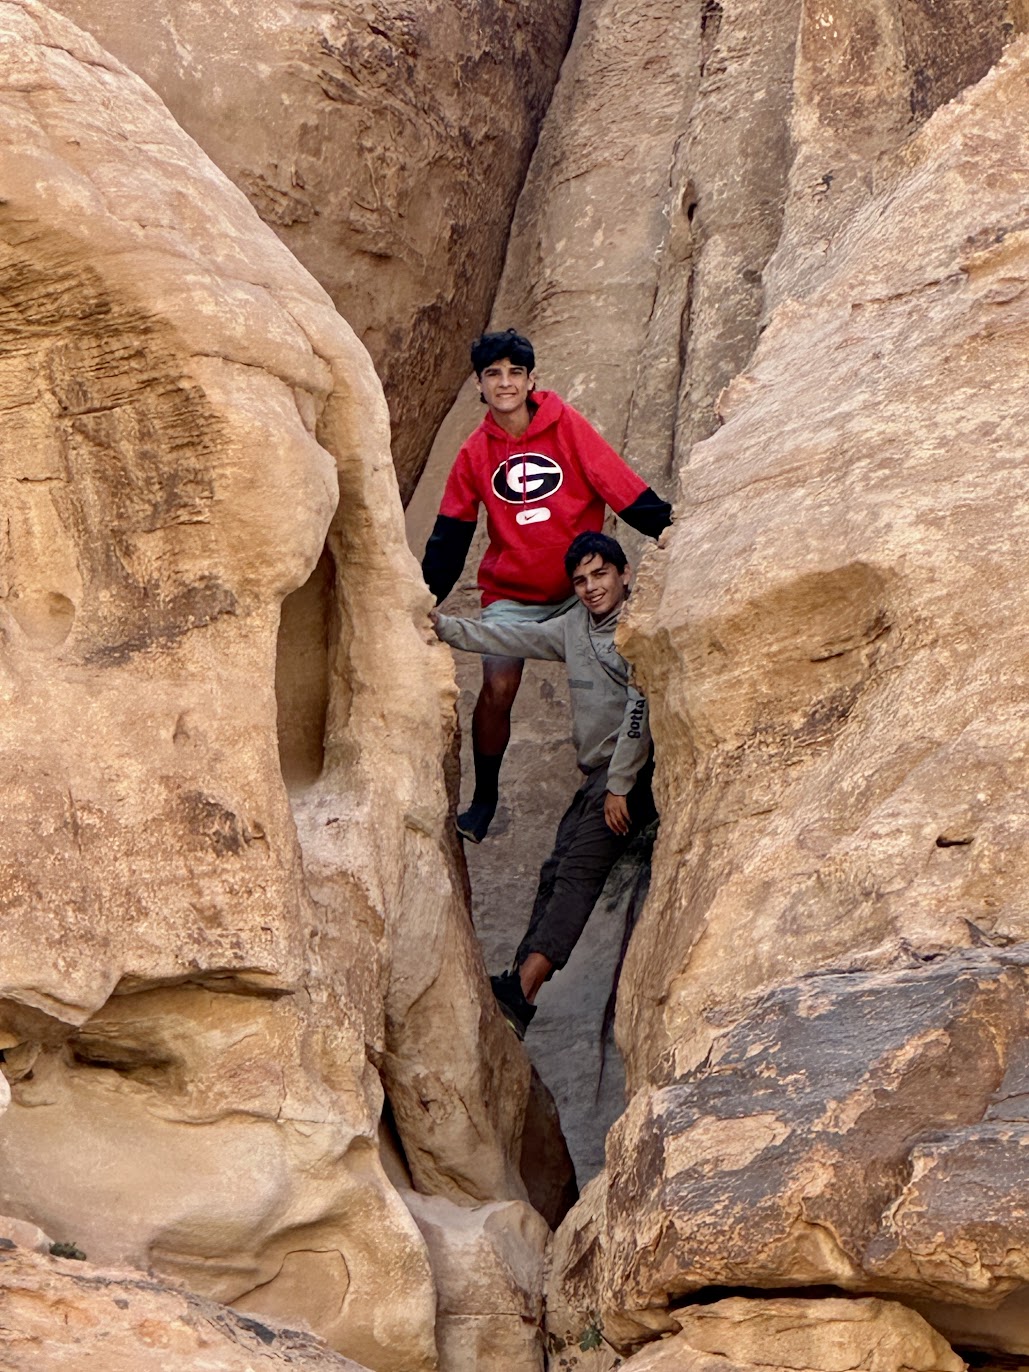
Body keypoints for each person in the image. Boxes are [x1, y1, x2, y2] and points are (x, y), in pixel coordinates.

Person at [421, 328, 670, 844]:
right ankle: (484, 800)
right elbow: (452, 532)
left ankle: (620, 784)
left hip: (578, 593)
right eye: (493, 374)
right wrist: (425, 598)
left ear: (531, 380)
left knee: (616, 673)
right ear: (479, 385)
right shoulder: (474, 453)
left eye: (515, 373)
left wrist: (671, 527)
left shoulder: (566, 426)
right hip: (511, 596)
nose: (505, 383)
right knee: (498, 685)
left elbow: (618, 484)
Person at [431, 531, 656, 1038]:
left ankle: (525, 991)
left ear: (624, 574)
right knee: (554, 871)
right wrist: (442, 627)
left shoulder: (637, 626)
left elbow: (639, 708)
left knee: (578, 873)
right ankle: (516, 984)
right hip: (597, 774)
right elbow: (511, 638)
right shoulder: (574, 626)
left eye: (601, 574)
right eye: (580, 580)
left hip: (629, 773)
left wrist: (621, 785)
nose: (591, 587)